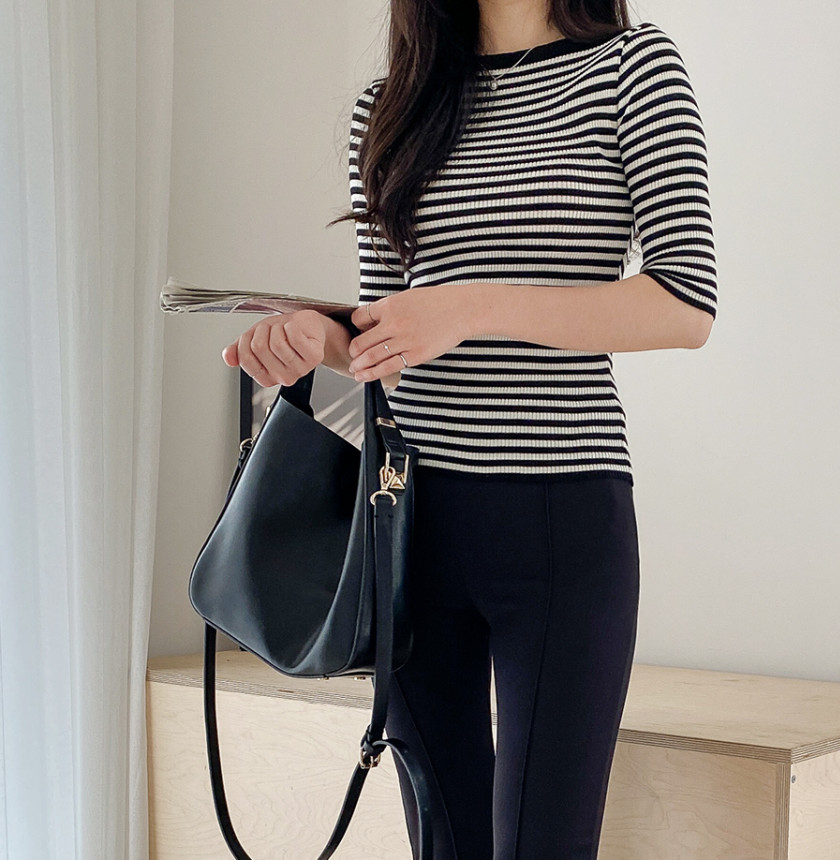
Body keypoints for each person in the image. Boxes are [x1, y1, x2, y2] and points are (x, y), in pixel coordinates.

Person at [222, 1, 718, 856]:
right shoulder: (391, 105)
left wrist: (471, 305)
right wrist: (315, 338)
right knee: (444, 845)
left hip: (562, 520)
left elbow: (684, 301)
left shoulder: (632, 70)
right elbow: (388, 340)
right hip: (410, 523)